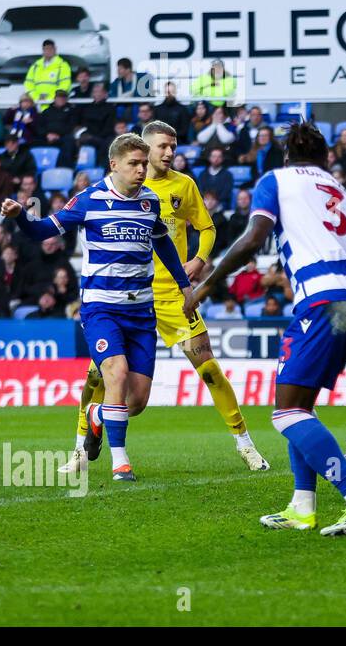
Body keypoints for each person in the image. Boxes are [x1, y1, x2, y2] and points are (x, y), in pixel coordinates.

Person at [184, 123, 346, 536]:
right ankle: (302, 506)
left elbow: (251, 240)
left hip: (321, 298)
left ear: (285, 156)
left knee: (287, 412)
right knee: (301, 407)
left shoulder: (275, 180)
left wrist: (205, 286)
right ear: (327, 157)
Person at [60, 121, 269, 476]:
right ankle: (81, 448)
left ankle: (245, 443)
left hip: (173, 297)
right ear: (142, 149)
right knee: (98, 378)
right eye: (162, 147)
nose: (169, 153)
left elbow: (207, 227)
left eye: (173, 146)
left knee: (209, 369)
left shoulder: (183, 186)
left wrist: (200, 260)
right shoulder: (118, 189)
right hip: (121, 300)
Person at [1, 134, 193, 482]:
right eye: (134, 164)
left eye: (143, 164)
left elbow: (163, 246)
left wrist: (185, 286)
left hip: (141, 312)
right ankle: (121, 462)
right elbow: (43, 230)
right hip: (101, 308)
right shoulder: (89, 200)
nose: (141, 170)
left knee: (135, 402)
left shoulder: (149, 202)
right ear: (114, 165)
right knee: (115, 373)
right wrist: (20, 218)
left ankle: (98, 415)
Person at [24, 39, 72, 107]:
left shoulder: (62, 65)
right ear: (43, 50)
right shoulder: (35, 66)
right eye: (46, 49)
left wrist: (51, 98)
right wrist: (36, 97)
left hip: (55, 105)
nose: (48, 51)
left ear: (55, 49)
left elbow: (65, 85)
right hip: (37, 104)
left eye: (50, 49)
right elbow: (28, 84)